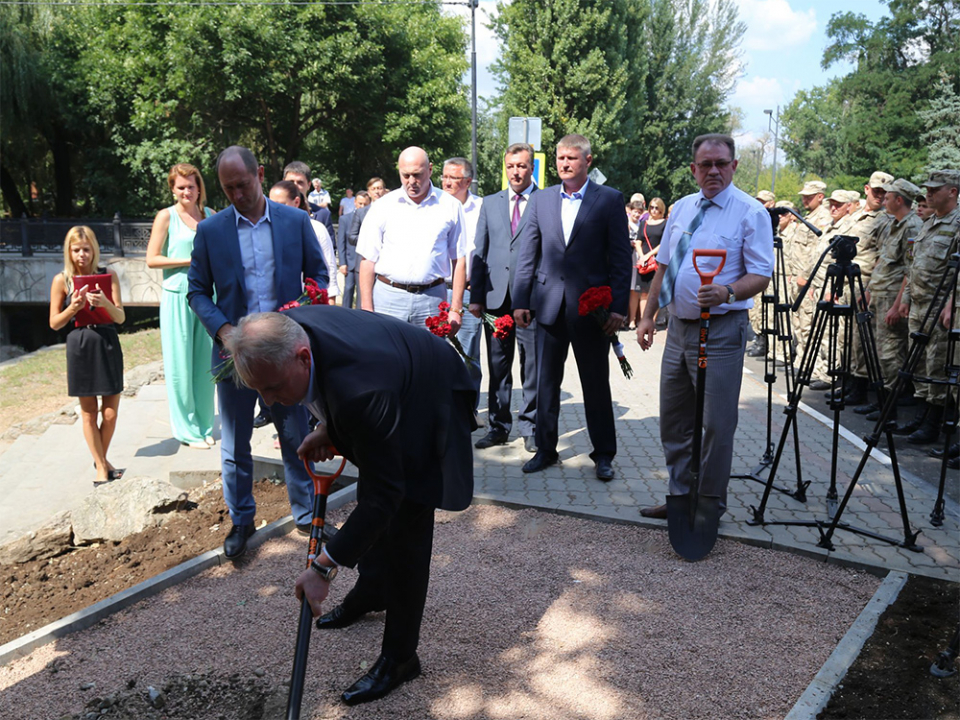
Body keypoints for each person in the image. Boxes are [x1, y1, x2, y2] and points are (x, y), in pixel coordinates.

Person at [225, 307, 475, 705]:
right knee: (373, 494)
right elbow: (339, 400)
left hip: (429, 394)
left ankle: (400, 658)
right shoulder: (288, 334)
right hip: (388, 380)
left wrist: (323, 568)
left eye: (271, 388)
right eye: (258, 391)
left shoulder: (360, 390)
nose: (267, 401)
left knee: (406, 515)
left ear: (302, 357)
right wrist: (329, 427)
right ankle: (373, 591)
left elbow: (386, 493)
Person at [187, 145, 328, 560]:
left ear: (260, 175)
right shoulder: (211, 231)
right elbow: (196, 291)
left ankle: (306, 515)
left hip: (284, 351)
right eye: (228, 188)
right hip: (233, 354)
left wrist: (299, 315)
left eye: (242, 185)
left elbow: (317, 276)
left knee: (295, 434)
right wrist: (224, 329)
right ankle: (242, 519)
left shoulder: (294, 221)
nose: (236, 194)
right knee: (234, 443)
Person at [637, 133, 774, 519]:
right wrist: (648, 316)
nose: (713, 171)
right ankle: (680, 496)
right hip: (678, 330)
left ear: (733, 166)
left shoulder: (750, 213)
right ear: (694, 169)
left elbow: (761, 273)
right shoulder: (681, 208)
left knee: (716, 424)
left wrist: (728, 291)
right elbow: (663, 265)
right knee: (675, 419)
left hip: (722, 332)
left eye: (721, 163)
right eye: (705, 164)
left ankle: (709, 505)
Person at [512, 133, 632, 481]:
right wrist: (521, 299)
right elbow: (527, 254)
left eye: (572, 158)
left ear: (588, 162)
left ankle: (604, 454)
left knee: (595, 384)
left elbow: (621, 259)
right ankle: (545, 449)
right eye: (560, 158)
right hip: (547, 307)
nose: (564, 164)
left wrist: (618, 308)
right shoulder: (542, 200)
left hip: (591, 311)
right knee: (546, 384)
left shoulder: (608, 200)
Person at [470, 142, 539, 452]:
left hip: (533, 300)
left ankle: (532, 428)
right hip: (495, 300)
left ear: (532, 167)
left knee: (532, 366)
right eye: (511, 166)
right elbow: (479, 251)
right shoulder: (491, 203)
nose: (516, 171)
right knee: (498, 366)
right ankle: (499, 426)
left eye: (522, 166)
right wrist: (476, 297)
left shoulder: (545, 201)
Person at [357, 147, 467, 331]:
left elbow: (460, 259)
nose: (411, 182)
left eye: (417, 175)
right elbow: (367, 260)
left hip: (432, 299)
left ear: (430, 170)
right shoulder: (382, 206)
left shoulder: (450, 206)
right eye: (405, 175)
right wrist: (367, 308)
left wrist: (456, 308)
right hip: (388, 299)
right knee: (388, 358)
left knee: (429, 358)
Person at [146, 163, 217, 450]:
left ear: (199, 187)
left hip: (207, 297)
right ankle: (187, 430)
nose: (186, 191)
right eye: (180, 187)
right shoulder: (166, 217)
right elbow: (152, 258)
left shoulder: (211, 215)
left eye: (191, 185)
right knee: (180, 366)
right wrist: (190, 261)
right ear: (173, 190)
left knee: (205, 366)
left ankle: (204, 425)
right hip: (177, 296)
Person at [49, 226, 126, 485]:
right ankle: (102, 468)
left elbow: (121, 317)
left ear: (94, 249)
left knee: (110, 414)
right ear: (69, 252)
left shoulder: (108, 275)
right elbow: (54, 323)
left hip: (107, 342)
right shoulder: (62, 280)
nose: (81, 254)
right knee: (89, 414)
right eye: (76, 250)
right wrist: (72, 307)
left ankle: (100, 460)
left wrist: (104, 302)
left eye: (86, 249)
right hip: (80, 345)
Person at [894, 169, 959, 444]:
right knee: (918, 363)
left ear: (953, 191)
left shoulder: (957, 223)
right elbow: (914, 265)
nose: (929, 193)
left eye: (935, 189)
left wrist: (951, 305)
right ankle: (921, 416)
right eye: (928, 189)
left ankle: (935, 424)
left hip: (939, 308)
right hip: (919, 305)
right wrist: (906, 298)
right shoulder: (929, 223)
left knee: (936, 367)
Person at [854, 178, 923, 421]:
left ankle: (890, 409)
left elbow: (910, 270)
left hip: (892, 299)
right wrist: (870, 291)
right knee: (878, 351)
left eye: (888, 196)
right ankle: (882, 402)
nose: (883, 199)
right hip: (880, 296)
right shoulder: (895, 224)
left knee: (890, 353)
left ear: (899, 199)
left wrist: (897, 305)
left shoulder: (912, 227)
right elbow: (882, 262)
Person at [441, 156, 483, 404]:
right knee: (435, 351)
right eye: (444, 177)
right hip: (435, 289)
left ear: (467, 181)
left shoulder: (481, 208)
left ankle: (467, 409)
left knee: (466, 354)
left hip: (467, 292)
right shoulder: (431, 205)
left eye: (453, 178)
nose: (446, 183)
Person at [269, 180, 338, 305]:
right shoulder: (265, 230)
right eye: (271, 205)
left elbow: (327, 270)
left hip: (301, 307)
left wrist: (328, 299)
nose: (275, 210)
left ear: (296, 202)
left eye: (281, 205)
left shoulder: (316, 229)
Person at [633, 197, 667, 329]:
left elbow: (663, 244)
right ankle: (643, 321)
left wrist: (648, 255)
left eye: (656, 207)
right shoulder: (644, 223)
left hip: (657, 262)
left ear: (661, 209)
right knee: (643, 292)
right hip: (644, 262)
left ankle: (651, 322)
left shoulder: (664, 224)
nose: (653, 210)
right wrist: (642, 257)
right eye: (651, 207)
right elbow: (638, 241)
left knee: (655, 291)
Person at [283, 161, 334, 240]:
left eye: (300, 182)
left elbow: (330, 249)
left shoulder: (323, 215)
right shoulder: (274, 212)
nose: (295, 186)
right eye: (291, 182)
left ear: (309, 185)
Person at [336, 190, 370, 308]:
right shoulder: (345, 219)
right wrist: (342, 262)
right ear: (355, 202)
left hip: (364, 262)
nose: (362, 206)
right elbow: (341, 242)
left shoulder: (372, 217)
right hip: (350, 262)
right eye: (360, 203)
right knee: (348, 289)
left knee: (362, 293)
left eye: (365, 204)